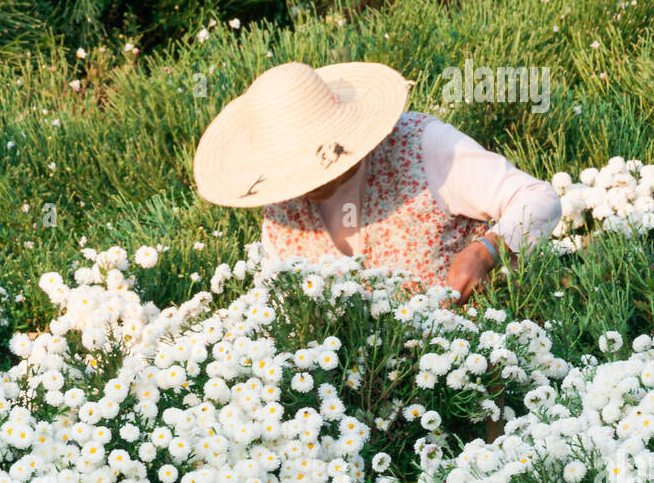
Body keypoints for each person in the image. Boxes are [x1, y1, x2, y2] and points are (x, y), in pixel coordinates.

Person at [193, 61, 561, 302]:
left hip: (475, 372)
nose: (305, 185)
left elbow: (538, 198)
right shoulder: (280, 211)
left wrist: (485, 252)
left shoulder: (419, 145)